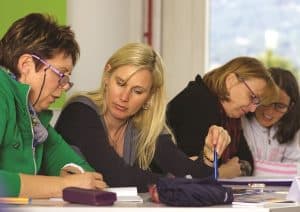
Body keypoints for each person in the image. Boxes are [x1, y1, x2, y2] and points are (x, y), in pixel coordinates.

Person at [55, 43, 231, 192]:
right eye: (121, 83)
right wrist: (176, 182)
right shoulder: (80, 111)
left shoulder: (145, 123)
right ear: (107, 74)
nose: (124, 97)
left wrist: (209, 155)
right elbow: (118, 176)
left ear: (150, 95)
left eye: (137, 91)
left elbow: (192, 175)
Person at [0, 13, 106, 198]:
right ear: (26, 65)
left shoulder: (35, 119)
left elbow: (90, 179)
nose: (64, 87)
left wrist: (71, 173)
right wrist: (61, 185)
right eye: (61, 75)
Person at [166, 57, 278, 178]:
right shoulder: (197, 101)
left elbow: (247, 162)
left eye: (257, 103)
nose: (252, 109)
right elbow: (191, 172)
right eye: (252, 97)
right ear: (230, 81)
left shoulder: (230, 112)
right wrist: (222, 173)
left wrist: (228, 170)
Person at [241, 67, 300, 176]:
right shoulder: (241, 123)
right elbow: (246, 167)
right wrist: (287, 170)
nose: (270, 111)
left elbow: (297, 168)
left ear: (291, 107)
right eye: (266, 101)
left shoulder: (291, 128)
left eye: (280, 106)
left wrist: (257, 167)